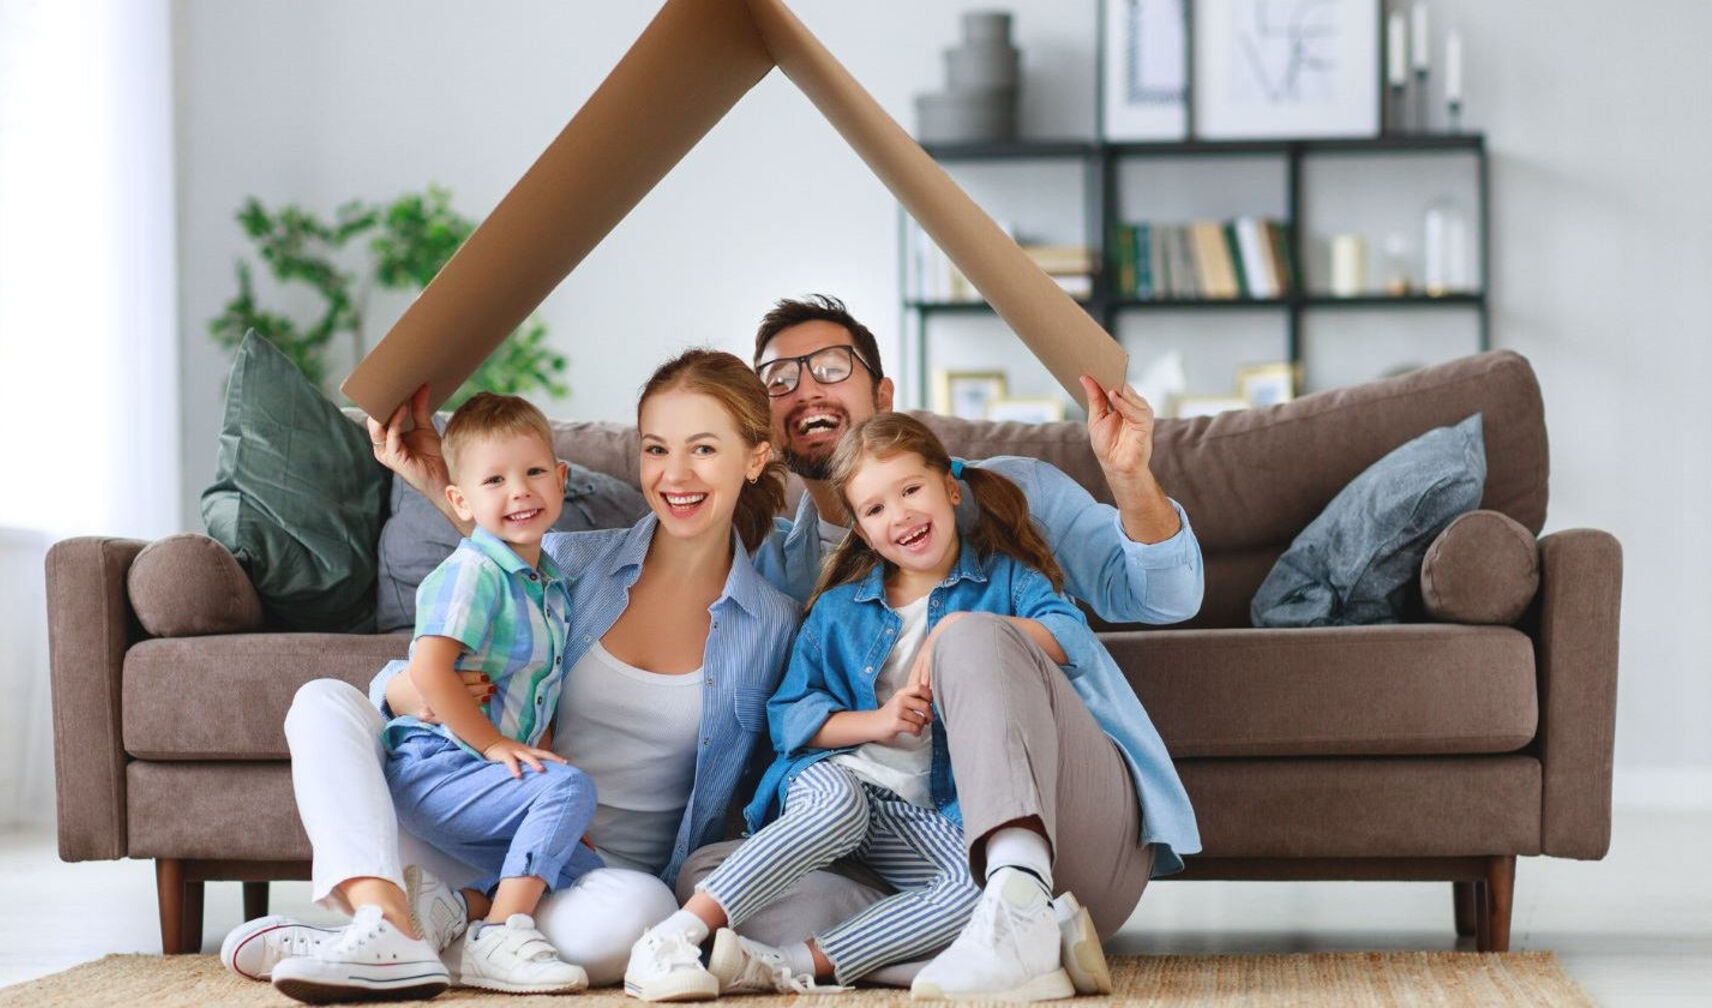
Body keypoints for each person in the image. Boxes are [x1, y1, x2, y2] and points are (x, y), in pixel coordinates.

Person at [674, 294, 1205, 1001]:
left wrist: (1131, 474)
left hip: (1069, 832)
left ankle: (1015, 900)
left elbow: (1166, 598)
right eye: (778, 380)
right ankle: (963, 946)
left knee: (973, 636)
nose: (804, 391)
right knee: (711, 878)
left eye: (830, 367)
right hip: (907, 852)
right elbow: (771, 719)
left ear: (882, 392)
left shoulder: (1012, 502)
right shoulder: (775, 568)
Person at [226, 351, 800, 1001]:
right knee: (324, 701)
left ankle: (406, 933)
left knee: (641, 917)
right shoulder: (569, 563)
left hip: (586, 881)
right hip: (469, 822)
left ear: (755, 457)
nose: (675, 474)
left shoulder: (775, 625)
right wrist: (403, 690)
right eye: (656, 449)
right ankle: (387, 918)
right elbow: (450, 641)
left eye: (702, 449)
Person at [623, 412, 1110, 1001]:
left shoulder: (1005, 581)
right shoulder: (840, 610)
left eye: (911, 490)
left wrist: (965, 625)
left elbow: (1073, 639)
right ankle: (674, 936)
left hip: (922, 814)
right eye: (875, 509)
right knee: (811, 822)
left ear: (951, 491)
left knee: (979, 887)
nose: (899, 516)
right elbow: (790, 716)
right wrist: (877, 722)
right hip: (839, 786)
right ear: (860, 530)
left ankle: (789, 964)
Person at [345, 392, 592, 996]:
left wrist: (541, 778)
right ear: (460, 499)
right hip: (437, 766)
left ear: (560, 480)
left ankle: (454, 907)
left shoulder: (553, 586)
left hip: (485, 776)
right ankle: (503, 933)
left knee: (586, 867)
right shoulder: (474, 572)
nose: (520, 491)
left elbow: (542, 698)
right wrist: (492, 744)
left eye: (534, 472)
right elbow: (428, 669)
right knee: (572, 787)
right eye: (495, 479)